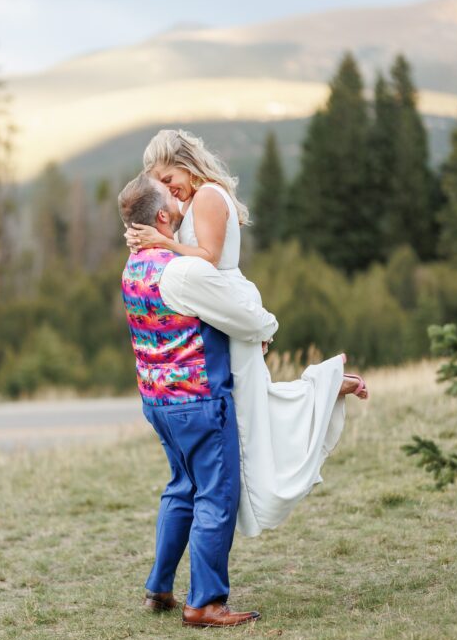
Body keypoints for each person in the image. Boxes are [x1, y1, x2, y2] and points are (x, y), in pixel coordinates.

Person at [126, 129, 368, 537]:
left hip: (223, 309)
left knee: (250, 415)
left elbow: (209, 257)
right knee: (252, 407)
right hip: (217, 310)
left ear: (185, 163)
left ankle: (324, 388)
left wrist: (159, 242)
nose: (169, 191)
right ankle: (325, 387)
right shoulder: (196, 199)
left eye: (169, 180)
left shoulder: (205, 196)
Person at [118, 172, 277, 627]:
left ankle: (159, 588)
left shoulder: (133, 267)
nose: (180, 197)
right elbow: (242, 316)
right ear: (164, 216)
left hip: (157, 401)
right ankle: (205, 603)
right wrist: (267, 329)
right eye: (171, 195)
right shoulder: (182, 271)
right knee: (216, 495)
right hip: (199, 399)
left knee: (181, 488)